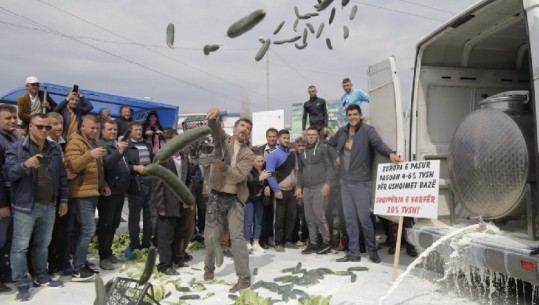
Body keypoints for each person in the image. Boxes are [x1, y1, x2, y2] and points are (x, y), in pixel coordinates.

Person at [4, 113, 67, 301]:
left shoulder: (54, 148)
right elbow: (7, 173)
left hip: (49, 204)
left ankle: (41, 277)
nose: (44, 131)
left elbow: (61, 176)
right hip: (26, 207)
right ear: (30, 126)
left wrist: (63, 199)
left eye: (47, 127)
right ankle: (22, 284)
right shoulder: (17, 148)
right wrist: (25, 165)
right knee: (20, 247)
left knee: (42, 245)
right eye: (40, 126)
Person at [327, 104, 401, 264]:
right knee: (350, 219)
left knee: (364, 218)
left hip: (361, 181)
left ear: (360, 115)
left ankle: (372, 250)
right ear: (347, 116)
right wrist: (335, 156)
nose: (352, 117)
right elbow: (329, 145)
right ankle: (353, 252)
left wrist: (390, 153)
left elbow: (378, 144)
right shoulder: (342, 132)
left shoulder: (368, 131)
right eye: (350, 114)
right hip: (344, 182)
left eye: (355, 114)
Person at [203, 108, 254, 293]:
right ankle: (208, 269)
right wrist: (214, 117)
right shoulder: (223, 141)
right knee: (211, 236)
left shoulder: (249, 154)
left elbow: (238, 177)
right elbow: (215, 129)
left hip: (235, 199)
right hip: (216, 196)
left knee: (237, 238)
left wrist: (223, 167)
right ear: (234, 128)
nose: (244, 129)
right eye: (242, 125)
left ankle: (244, 279)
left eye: (248, 128)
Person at [64, 115, 109, 281]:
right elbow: (73, 165)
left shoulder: (93, 142)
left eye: (97, 129)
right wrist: (91, 154)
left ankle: (80, 262)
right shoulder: (75, 142)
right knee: (88, 230)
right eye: (92, 128)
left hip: (92, 192)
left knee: (82, 231)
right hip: (81, 194)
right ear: (82, 126)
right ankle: (78, 268)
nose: (95, 131)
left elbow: (97, 168)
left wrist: (103, 184)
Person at [153, 130, 191, 275]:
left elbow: (188, 180)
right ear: (166, 142)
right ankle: (164, 265)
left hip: (181, 203)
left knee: (178, 233)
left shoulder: (183, 156)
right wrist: (160, 205)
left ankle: (176, 258)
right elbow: (157, 183)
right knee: (165, 236)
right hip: (167, 203)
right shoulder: (161, 158)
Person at [97, 120, 130, 270]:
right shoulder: (102, 145)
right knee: (106, 225)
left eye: (115, 129)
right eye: (109, 129)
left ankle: (109, 252)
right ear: (102, 131)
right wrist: (119, 151)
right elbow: (106, 164)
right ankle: (103, 257)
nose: (112, 132)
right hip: (108, 192)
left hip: (119, 191)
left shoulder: (117, 144)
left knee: (114, 224)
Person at [296, 127, 334, 255]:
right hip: (307, 188)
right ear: (306, 136)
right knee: (309, 218)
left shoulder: (323, 148)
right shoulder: (302, 152)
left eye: (313, 135)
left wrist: (328, 183)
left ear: (318, 136)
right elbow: (300, 171)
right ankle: (313, 243)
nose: (311, 137)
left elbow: (330, 167)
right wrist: (298, 187)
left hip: (320, 187)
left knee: (319, 215)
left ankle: (326, 242)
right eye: (309, 135)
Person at [124, 121, 154, 259]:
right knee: (134, 217)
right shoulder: (127, 146)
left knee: (149, 217)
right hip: (136, 184)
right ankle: (135, 245)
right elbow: (124, 166)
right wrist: (135, 168)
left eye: (140, 130)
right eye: (136, 130)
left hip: (150, 183)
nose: (138, 132)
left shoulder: (147, 144)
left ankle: (146, 244)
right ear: (130, 131)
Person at [265, 129, 298, 252]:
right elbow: (270, 174)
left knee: (291, 217)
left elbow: (297, 171)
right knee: (278, 218)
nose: (287, 140)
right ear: (279, 140)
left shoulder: (292, 154)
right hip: (280, 191)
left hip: (291, 191)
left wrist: (297, 187)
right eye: (284, 138)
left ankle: (288, 240)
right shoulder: (273, 155)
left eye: (288, 138)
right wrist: (276, 190)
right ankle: (278, 242)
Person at [0, 104, 20, 293]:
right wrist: (2, 204)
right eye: (8, 118)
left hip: (14, 198)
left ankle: (6, 273)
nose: (13, 121)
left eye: (14, 117)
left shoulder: (13, 138)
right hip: (3, 201)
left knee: (8, 240)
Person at [244, 152, 270, 253]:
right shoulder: (249, 171)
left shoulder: (264, 170)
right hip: (250, 199)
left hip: (259, 199)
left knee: (258, 221)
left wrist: (267, 186)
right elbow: (250, 183)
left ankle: (256, 242)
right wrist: (260, 178)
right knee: (248, 221)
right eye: (258, 161)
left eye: (262, 161)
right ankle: (246, 241)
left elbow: (268, 181)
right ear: (253, 161)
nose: (260, 163)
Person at [257, 128, 278, 249]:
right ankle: (261, 239)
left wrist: (271, 186)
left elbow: (278, 171)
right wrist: (266, 186)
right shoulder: (260, 150)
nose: (272, 139)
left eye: (274, 136)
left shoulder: (280, 151)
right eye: (270, 136)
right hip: (262, 187)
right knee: (262, 214)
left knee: (273, 215)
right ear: (266, 137)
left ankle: (270, 237)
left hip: (275, 186)